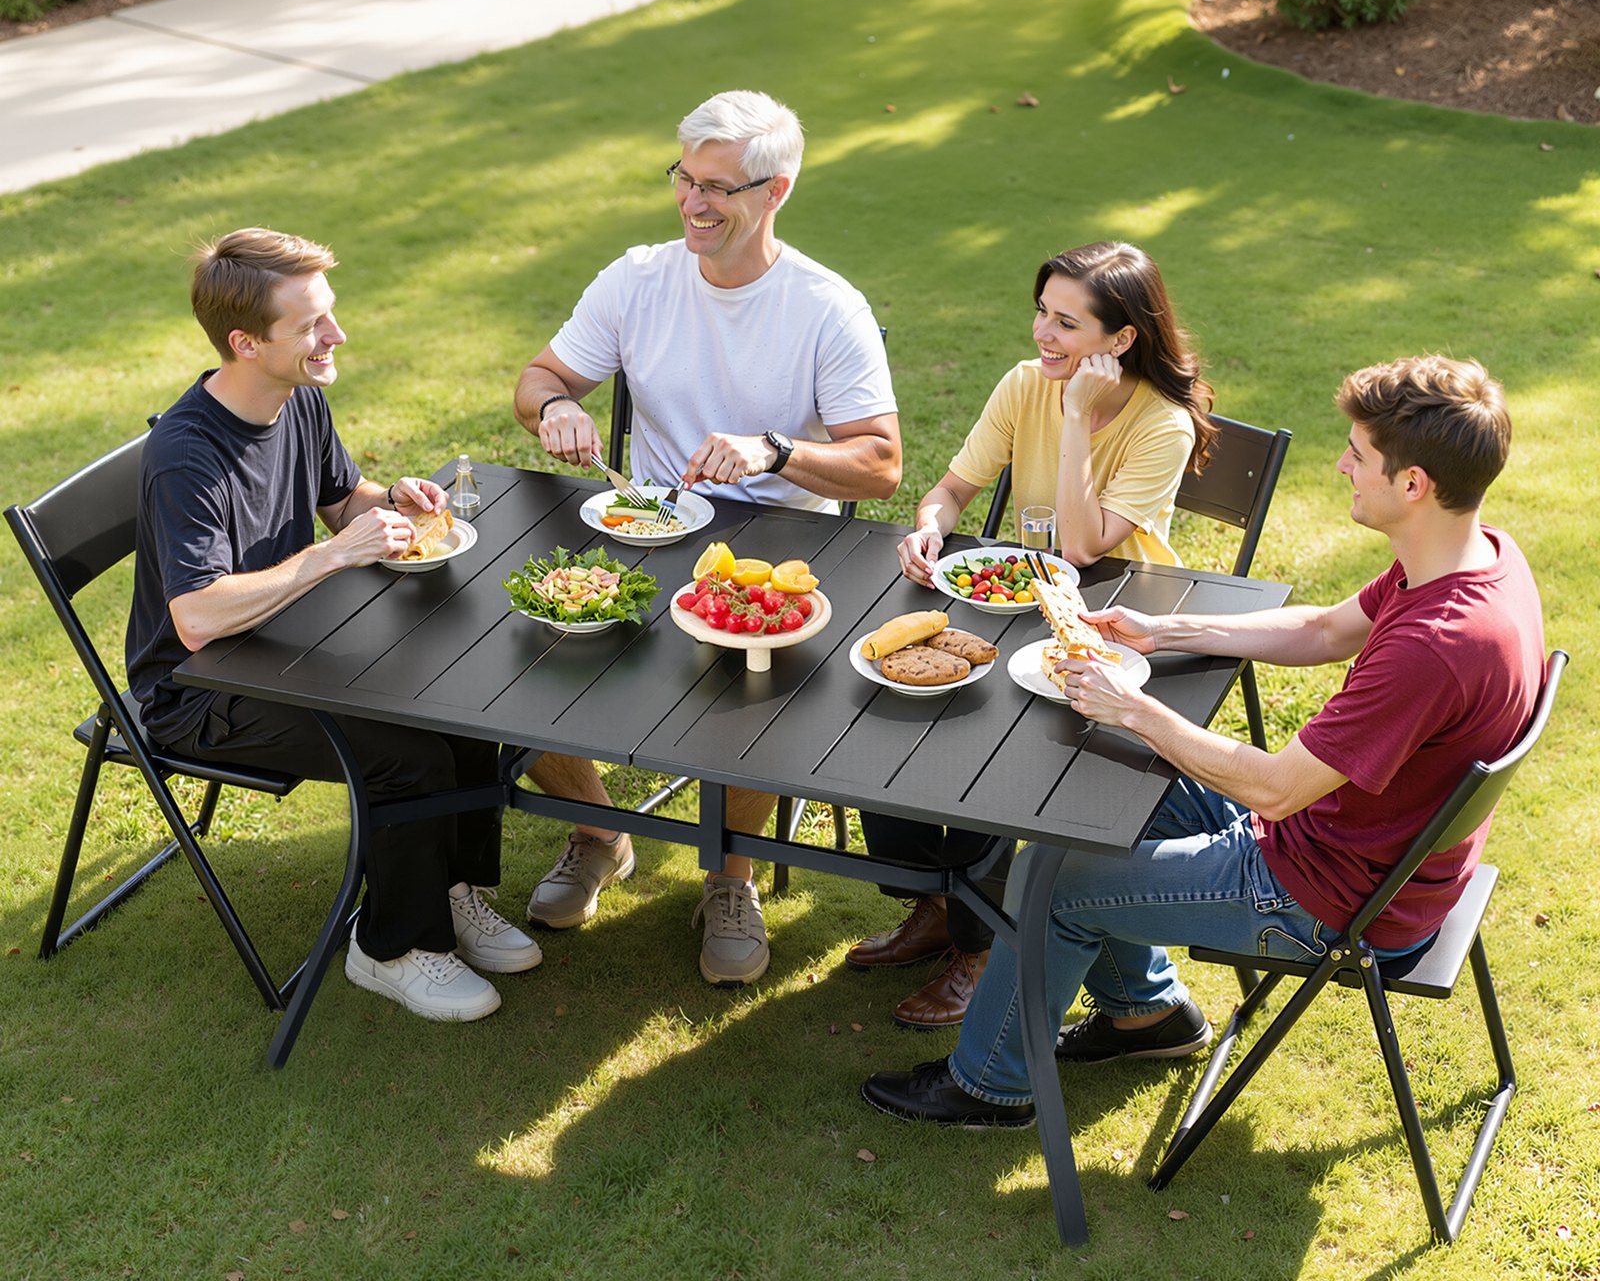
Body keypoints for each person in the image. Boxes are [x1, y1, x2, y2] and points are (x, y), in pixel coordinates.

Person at [860, 355, 1546, 1126]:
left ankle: (989, 1085)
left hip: (1326, 892)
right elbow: (1324, 627)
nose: (1342, 464)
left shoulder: (1434, 646)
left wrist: (1134, 707)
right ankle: (1146, 1015)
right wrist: (1164, 629)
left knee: (1048, 882)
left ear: (1413, 484)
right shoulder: (1476, 555)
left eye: (1359, 454)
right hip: (1367, 848)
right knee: (1101, 791)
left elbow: (1275, 789)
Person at [512, 89, 901, 986]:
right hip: (642, 531)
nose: (694, 202)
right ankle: (600, 832)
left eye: (719, 187)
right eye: (684, 179)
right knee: (514, 658)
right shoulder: (637, 278)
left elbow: (880, 465)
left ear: (777, 192)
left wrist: (775, 449)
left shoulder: (825, 307)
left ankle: (732, 877)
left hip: (776, 545)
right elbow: (537, 379)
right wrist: (559, 405)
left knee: (753, 688)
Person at [127, 228, 542, 1024]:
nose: (336, 336)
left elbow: (341, 497)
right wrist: (332, 557)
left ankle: (446, 895)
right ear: (246, 344)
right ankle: (389, 948)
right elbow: (197, 616)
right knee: (405, 754)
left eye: (331, 314)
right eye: (312, 325)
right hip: (196, 691)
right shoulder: (188, 454)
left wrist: (390, 504)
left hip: (286, 644)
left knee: (459, 707)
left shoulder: (298, 396)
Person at [852, 242, 1215, 1032]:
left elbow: (1086, 547)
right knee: (889, 707)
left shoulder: (1163, 425)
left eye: (1066, 322)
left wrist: (1079, 419)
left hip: (1116, 624)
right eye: (1041, 312)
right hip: (1016, 604)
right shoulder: (1023, 384)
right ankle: (939, 904)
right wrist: (928, 531)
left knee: (1003, 759)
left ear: (1120, 340)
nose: (1042, 335)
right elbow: (950, 490)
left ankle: (980, 943)